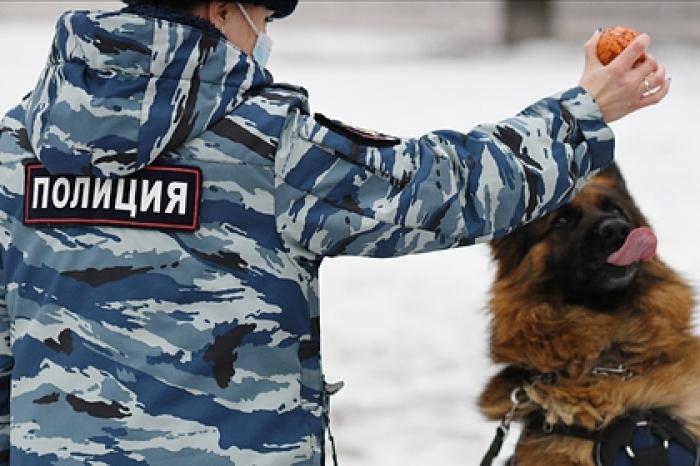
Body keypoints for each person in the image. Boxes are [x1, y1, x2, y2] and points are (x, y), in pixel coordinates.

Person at [0, 0, 669, 464]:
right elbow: (435, 190)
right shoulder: (269, 148)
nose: (262, 36)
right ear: (220, 12)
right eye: (261, 16)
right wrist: (585, 112)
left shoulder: (17, 145)